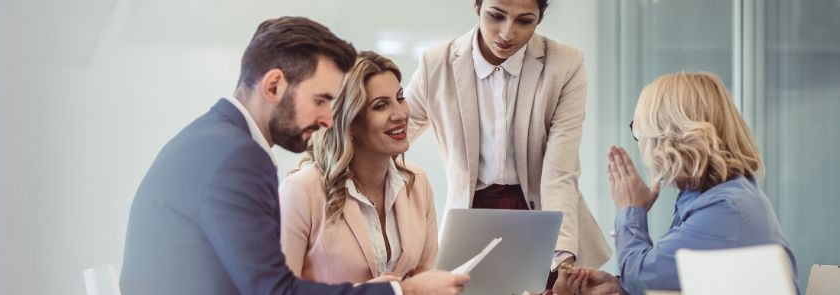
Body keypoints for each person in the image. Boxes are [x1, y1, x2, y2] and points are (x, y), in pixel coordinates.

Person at [120, 16, 469, 295]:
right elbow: (274, 291)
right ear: (273, 86)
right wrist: (401, 292)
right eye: (320, 100)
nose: (327, 119)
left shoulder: (212, 139)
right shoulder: (238, 158)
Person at [403, 0, 610, 286]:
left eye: (524, 21)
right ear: (476, 5)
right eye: (496, 16)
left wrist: (562, 257)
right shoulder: (436, 63)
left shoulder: (565, 65)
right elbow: (395, 134)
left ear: (540, 18)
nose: (506, 33)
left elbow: (559, 173)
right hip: (471, 215)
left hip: (541, 215)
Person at [554, 72, 797, 295]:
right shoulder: (719, 198)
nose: (639, 143)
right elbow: (671, 282)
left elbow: (642, 278)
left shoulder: (725, 209)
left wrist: (630, 210)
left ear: (668, 136)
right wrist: (620, 286)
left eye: (639, 130)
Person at [280, 51, 439, 285]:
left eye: (400, 98)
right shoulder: (301, 191)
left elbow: (426, 280)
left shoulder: (416, 182)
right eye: (381, 105)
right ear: (350, 121)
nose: (400, 114)